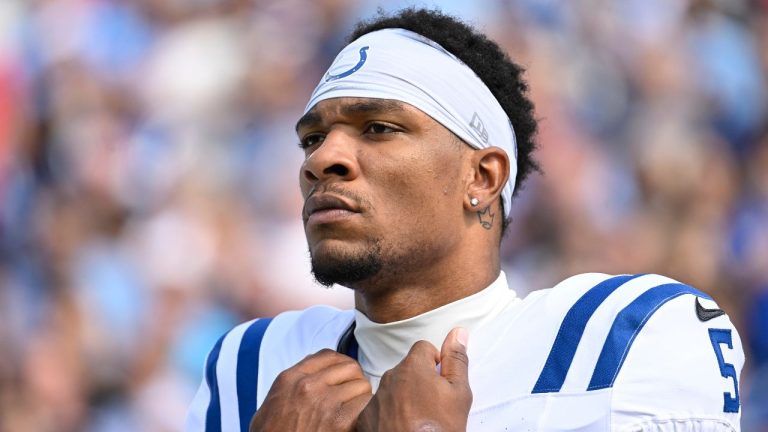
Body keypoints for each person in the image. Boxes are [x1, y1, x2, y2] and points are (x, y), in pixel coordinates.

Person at [186, 8, 744, 432]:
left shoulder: (629, 335)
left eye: (379, 127)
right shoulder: (249, 365)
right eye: (312, 138)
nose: (319, 159)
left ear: (482, 178)